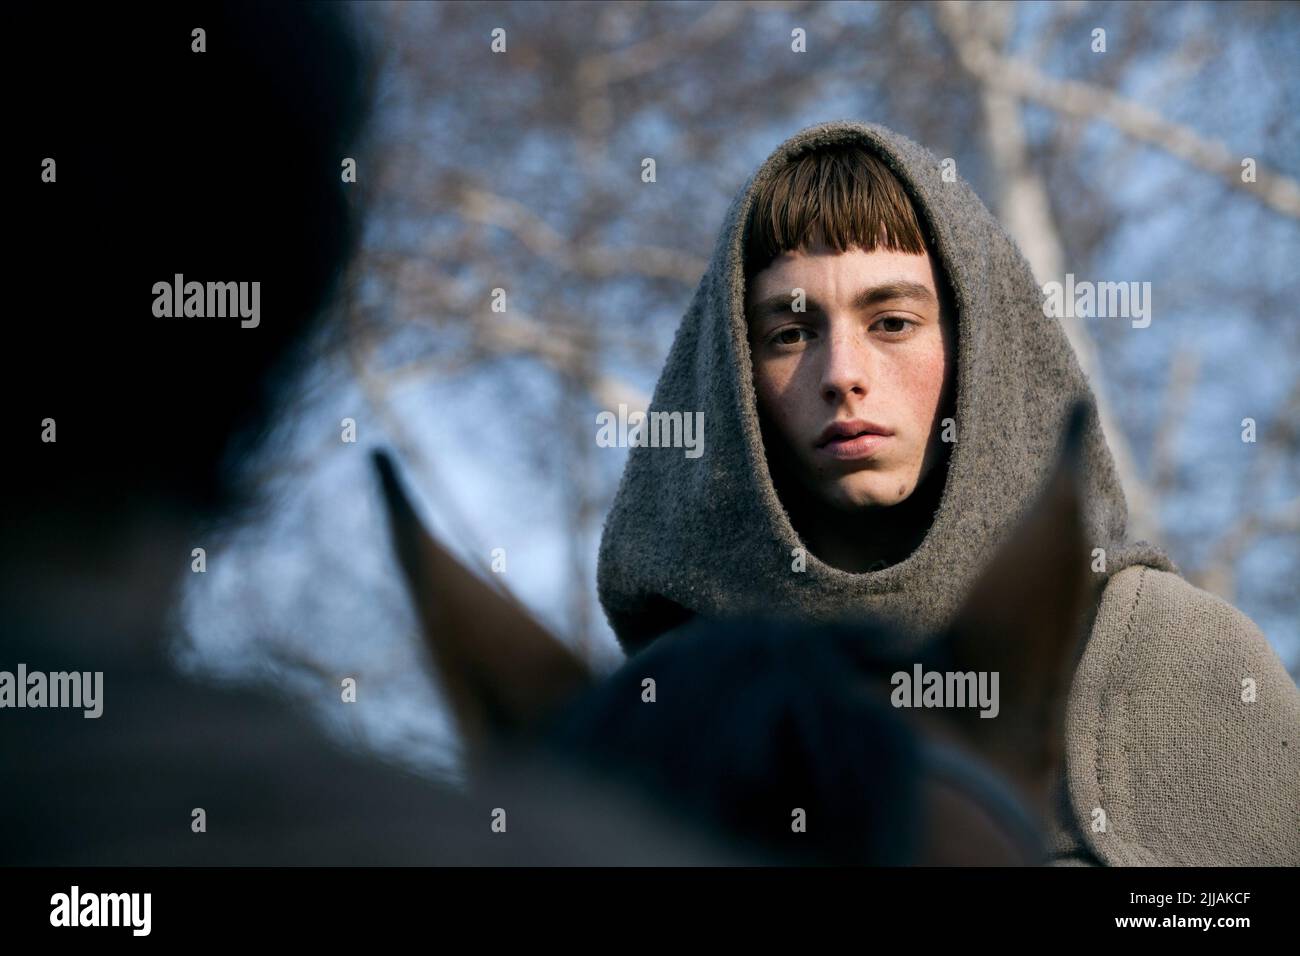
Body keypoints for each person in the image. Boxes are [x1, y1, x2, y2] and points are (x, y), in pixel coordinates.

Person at [596, 120, 1300, 866]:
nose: (842, 373)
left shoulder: (1171, 658)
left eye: (892, 321)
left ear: (978, 350)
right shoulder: (656, 721)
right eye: (791, 334)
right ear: (734, 378)